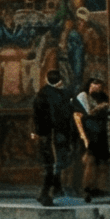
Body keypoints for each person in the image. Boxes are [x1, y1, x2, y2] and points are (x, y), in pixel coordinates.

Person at [32, 68, 78, 208]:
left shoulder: (43, 94)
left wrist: (37, 132)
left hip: (50, 134)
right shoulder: (65, 94)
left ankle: (50, 192)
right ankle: (48, 193)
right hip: (59, 133)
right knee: (55, 164)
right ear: (61, 81)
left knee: (52, 165)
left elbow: (37, 115)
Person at [75, 77, 110, 203]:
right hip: (88, 131)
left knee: (101, 161)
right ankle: (87, 188)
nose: (98, 88)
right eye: (95, 85)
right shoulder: (83, 96)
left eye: (100, 86)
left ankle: (98, 187)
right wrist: (100, 107)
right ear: (90, 85)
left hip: (100, 132)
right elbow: (85, 113)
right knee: (90, 160)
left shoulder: (102, 96)